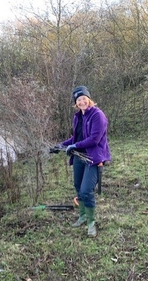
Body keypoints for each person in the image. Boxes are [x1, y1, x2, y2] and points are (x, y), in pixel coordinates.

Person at [60, 86, 111, 237]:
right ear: (75, 103)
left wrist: (74, 146)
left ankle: (91, 223)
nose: (81, 102)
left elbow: (94, 139)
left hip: (93, 158)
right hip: (78, 157)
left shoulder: (97, 115)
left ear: (89, 99)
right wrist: (61, 145)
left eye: (83, 98)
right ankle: (82, 216)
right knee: (78, 186)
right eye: (78, 100)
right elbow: (76, 138)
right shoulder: (78, 117)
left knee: (86, 190)